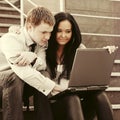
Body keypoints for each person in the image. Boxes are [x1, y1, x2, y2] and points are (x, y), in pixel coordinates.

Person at [46, 12, 116, 120]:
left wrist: (104, 54)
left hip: (77, 105)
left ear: (73, 32)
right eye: (59, 31)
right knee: (72, 98)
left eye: (68, 31)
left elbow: (89, 75)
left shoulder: (79, 49)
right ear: (53, 30)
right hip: (55, 105)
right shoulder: (43, 50)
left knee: (100, 95)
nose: (63, 35)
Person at [0, 6, 64, 120]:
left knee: (43, 73)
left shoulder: (40, 42)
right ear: (29, 26)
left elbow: (42, 64)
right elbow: (23, 72)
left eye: (50, 32)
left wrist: (33, 57)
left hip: (19, 88)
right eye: (44, 32)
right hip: (4, 86)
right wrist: (54, 86)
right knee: (14, 76)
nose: (48, 37)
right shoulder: (10, 39)